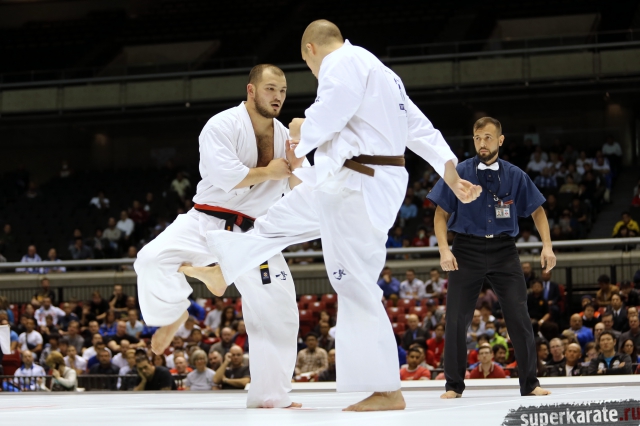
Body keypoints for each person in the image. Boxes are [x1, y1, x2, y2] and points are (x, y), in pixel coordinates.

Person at [203, 19, 480, 412]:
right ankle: (225, 267)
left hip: (360, 182)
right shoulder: (382, 73)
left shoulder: (342, 62)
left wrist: (301, 129)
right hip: (344, 178)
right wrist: (450, 173)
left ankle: (386, 389)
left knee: (352, 279)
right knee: (277, 222)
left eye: (308, 65)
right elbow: (419, 128)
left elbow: (327, 116)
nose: (313, 73)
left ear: (311, 50)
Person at [133, 63, 302, 409]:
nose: (278, 97)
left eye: (283, 91)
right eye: (270, 89)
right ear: (251, 90)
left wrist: (298, 157)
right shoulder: (222, 125)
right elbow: (226, 176)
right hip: (206, 219)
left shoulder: (286, 137)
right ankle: (174, 313)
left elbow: (298, 189)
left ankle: (270, 395)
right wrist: (269, 171)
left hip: (254, 234)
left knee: (279, 311)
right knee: (150, 259)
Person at [429, 116, 554, 399]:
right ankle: (454, 386)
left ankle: (530, 384)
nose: (482, 143)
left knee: (519, 317)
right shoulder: (459, 172)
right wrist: (444, 249)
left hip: (504, 250)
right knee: (456, 319)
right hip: (466, 249)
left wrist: (547, 246)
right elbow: (440, 213)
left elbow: (538, 211)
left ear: (500, 140)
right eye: (477, 138)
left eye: (487, 137)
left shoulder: (515, 175)